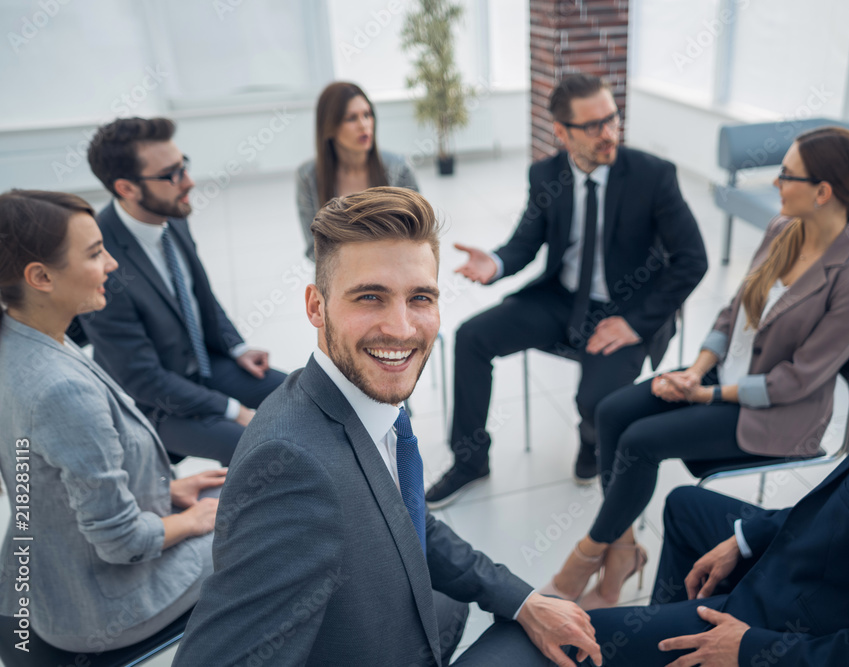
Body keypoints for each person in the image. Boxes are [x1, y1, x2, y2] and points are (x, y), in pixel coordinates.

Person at [173, 187, 603, 666]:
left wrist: (521, 600)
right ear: (316, 307)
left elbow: (404, 515)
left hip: (413, 625)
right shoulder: (290, 466)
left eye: (420, 297)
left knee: (556, 629)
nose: (401, 328)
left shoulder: (365, 400)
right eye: (370, 297)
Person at [578, 190, 849, 666]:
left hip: (789, 623)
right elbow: (844, 501)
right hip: (807, 554)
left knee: (574, 643)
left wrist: (748, 650)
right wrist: (747, 538)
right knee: (683, 505)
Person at [541, 126, 849, 610]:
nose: (777, 182)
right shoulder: (783, 230)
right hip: (721, 381)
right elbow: (732, 314)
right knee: (613, 412)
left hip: (776, 414)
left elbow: (797, 380)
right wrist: (697, 372)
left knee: (640, 443)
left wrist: (708, 396)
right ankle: (622, 555)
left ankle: (587, 558)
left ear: (823, 192)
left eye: (786, 174)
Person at [426, 73, 709, 507]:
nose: (609, 133)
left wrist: (636, 324)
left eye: (613, 119)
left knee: (595, 402)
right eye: (593, 126)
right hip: (561, 298)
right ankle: (470, 461)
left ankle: (592, 440)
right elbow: (526, 242)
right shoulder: (545, 175)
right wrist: (498, 262)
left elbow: (693, 259)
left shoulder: (652, 176)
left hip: (628, 308)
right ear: (561, 132)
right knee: (471, 337)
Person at [0, 190, 223, 652]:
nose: (112, 264)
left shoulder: (20, 340)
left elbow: (48, 480)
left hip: (53, 572)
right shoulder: (60, 389)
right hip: (101, 604)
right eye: (95, 253)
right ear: (40, 276)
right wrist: (194, 521)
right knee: (272, 525)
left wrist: (164, 491)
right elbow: (122, 542)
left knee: (232, 494)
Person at [80, 117, 286, 466]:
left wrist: (236, 347)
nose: (188, 181)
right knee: (260, 449)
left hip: (205, 363)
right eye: (171, 174)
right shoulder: (98, 257)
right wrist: (233, 409)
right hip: (156, 402)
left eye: (183, 165)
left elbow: (198, 294)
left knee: (304, 395)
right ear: (127, 188)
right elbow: (143, 379)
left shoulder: (171, 211)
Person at [296, 81, 419, 260]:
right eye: (351, 118)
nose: (364, 125)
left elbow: (419, 233)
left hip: (393, 266)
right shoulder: (308, 176)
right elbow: (312, 248)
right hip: (340, 275)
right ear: (329, 128)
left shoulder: (399, 168)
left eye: (367, 115)